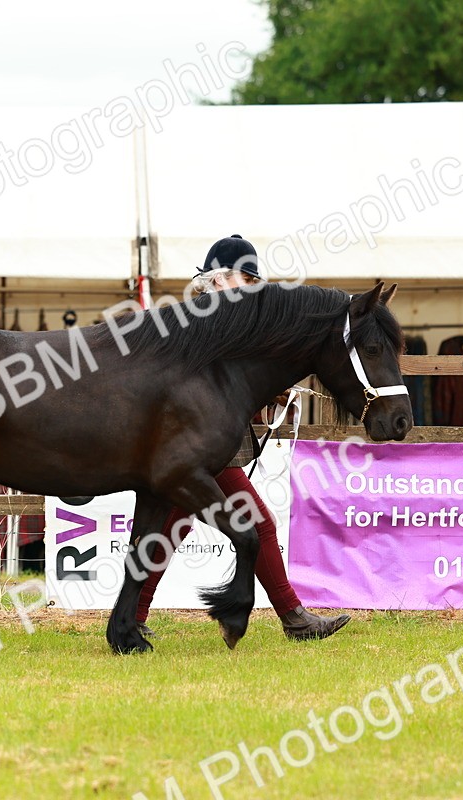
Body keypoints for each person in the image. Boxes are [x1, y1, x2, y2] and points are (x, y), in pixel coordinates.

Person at [136, 235, 350, 641]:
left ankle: (135, 615)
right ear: (220, 280)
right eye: (247, 279)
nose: (253, 288)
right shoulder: (210, 320)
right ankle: (294, 618)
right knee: (260, 527)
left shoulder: (203, 318)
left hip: (192, 449)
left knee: (170, 527)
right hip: (202, 450)